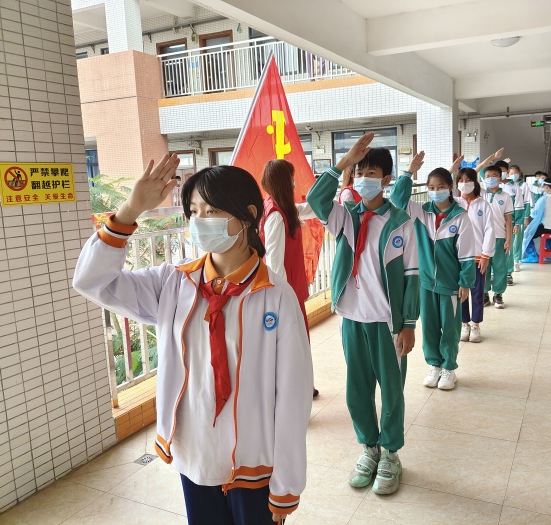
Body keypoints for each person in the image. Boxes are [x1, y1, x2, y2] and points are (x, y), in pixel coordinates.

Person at [73, 155, 313, 525]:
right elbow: (91, 281)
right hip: (196, 456)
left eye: (212, 210)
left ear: (248, 215)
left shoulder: (276, 297)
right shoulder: (173, 284)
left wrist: (286, 485)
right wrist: (130, 210)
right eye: (194, 211)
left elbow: (294, 397)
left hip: (255, 463)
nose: (200, 221)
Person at [306, 133, 419, 496]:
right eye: (359, 173)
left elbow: (412, 275)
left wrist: (409, 323)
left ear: (387, 180)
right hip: (353, 318)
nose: (363, 178)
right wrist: (343, 163)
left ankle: (391, 453)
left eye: (371, 173)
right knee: (357, 390)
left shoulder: (401, 222)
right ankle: (369, 448)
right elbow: (315, 199)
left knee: (392, 390)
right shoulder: (346, 217)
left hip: (387, 322)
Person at [390, 152, 475, 388]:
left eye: (440, 187)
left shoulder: (460, 218)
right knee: (428, 327)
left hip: (450, 284)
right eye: (431, 187)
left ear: (450, 188)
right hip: (425, 282)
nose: (435, 191)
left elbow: (467, 253)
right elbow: (397, 199)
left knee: (449, 329)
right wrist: (408, 172)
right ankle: (434, 365)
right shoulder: (419, 211)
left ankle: (449, 368)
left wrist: (465, 282)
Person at [259, 159, 319, 398]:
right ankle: (295, 392)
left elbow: (309, 209)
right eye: (291, 178)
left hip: (291, 290)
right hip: (285, 293)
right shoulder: (275, 214)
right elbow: (274, 262)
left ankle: (303, 387)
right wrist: (282, 298)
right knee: (292, 343)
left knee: (298, 341)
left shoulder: (281, 207)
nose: (295, 182)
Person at [453, 168, 494, 342]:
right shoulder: (454, 203)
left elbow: (489, 229)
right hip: (458, 257)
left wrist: (485, 255)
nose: (464, 183)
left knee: (477, 292)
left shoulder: (484, 205)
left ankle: (476, 325)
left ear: (475, 182)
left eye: (468, 180)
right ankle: (464, 324)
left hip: (477, 256)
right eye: (461, 180)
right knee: (461, 291)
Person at [481, 165, 513, 309]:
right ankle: (484, 293)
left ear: (500, 178)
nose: (490, 179)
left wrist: (509, 239)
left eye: (494, 176)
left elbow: (508, 220)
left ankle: (498, 294)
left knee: (500, 267)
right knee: (483, 267)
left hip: (500, 237)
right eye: (487, 176)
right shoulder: (481, 194)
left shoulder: (506, 197)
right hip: (482, 238)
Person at [505, 164, 531, 276]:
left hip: (518, 216)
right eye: (511, 173)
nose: (513, 175)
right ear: (507, 174)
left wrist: (525, 217)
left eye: (515, 173)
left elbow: (527, 202)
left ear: (519, 174)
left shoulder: (523, 185)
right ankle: (508, 262)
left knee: (517, 240)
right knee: (508, 241)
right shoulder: (505, 186)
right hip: (507, 219)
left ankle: (516, 261)